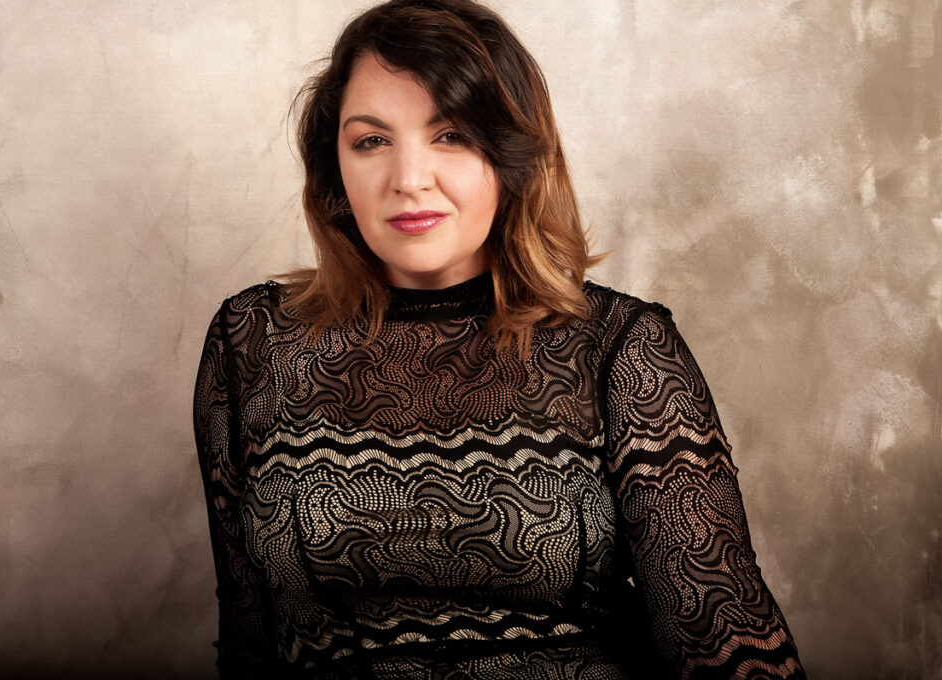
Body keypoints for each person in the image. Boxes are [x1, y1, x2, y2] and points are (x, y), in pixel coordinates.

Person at [193, 1, 807, 678]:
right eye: (371, 141)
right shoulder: (252, 343)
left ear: (513, 155)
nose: (409, 179)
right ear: (334, 167)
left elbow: (723, 637)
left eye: (452, 135)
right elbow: (249, 641)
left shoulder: (619, 347)